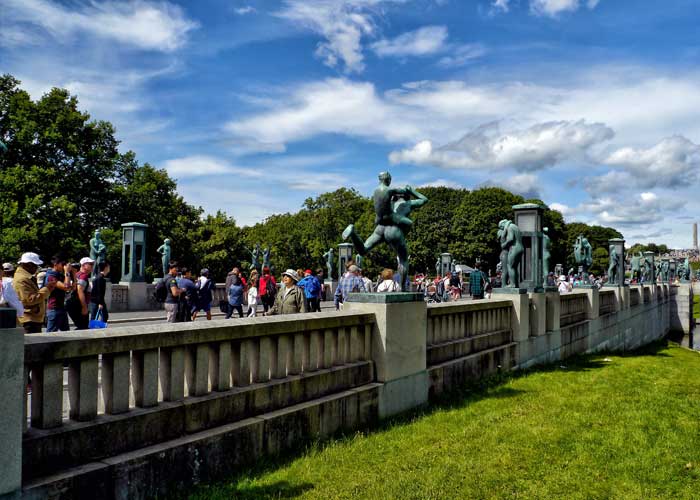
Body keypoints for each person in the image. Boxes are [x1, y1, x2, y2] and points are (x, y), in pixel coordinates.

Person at [13, 252, 55, 333]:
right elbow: (29, 300)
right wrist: (47, 289)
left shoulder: (26, 277)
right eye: (36, 266)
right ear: (28, 264)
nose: (37, 268)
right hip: (28, 320)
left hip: (32, 319)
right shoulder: (21, 279)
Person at [44, 254, 73, 332]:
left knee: (66, 333)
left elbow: (71, 288)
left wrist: (73, 274)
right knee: (50, 335)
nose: (64, 266)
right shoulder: (51, 276)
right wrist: (67, 272)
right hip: (54, 309)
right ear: (55, 264)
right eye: (63, 264)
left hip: (61, 308)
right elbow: (66, 287)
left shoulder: (60, 275)